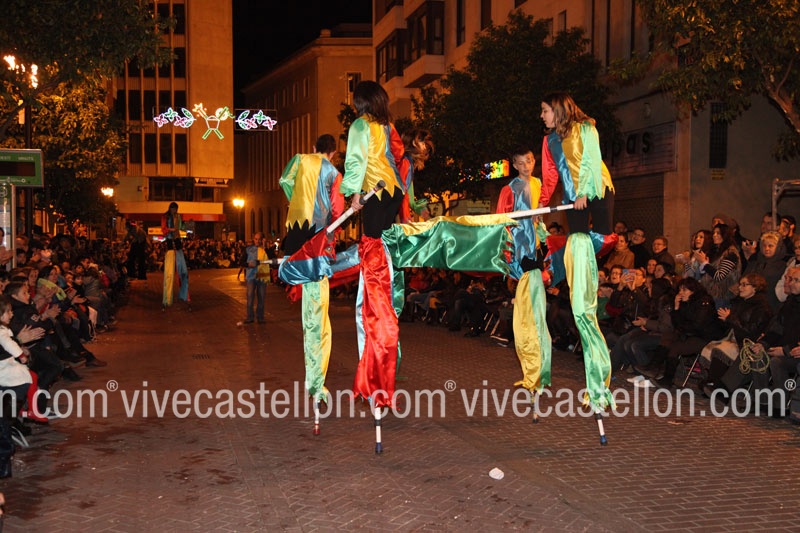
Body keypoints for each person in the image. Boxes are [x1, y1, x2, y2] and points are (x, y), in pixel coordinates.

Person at [539, 91, 615, 411]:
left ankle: (583, 278)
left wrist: (584, 191)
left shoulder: (586, 128)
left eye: (545, 110)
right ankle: (570, 278)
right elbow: (550, 176)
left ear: (557, 110)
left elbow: (590, 160)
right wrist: (541, 206)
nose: (542, 116)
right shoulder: (550, 141)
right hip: (573, 196)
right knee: (577, 242)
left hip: (596, 189)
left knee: (602, 238)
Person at [340, 81, 404, 408]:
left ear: (362, 102)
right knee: (381, 250)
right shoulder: (386, 125)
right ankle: (384, 306)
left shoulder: (361, 125)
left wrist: (354, 194)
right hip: (392, 190)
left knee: (372, 251)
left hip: (375, 192)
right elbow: (397, 155)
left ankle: (379, 322)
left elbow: (356, 159)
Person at [279, 133, 344, 403]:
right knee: (317, 310)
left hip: (295, 237)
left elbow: (285, 181)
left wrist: (297, 201)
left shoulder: (299, 159)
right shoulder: (334, 174)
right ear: (332, 153)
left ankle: (315, 380)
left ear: (314, 148)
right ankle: (316, 380)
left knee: (309, 305)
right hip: (317, 240)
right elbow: (338, 211)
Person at [496, 147, 552, 395]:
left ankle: (538, 366)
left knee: (536, 307)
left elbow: (541, 212)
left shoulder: (538, 184)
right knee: (530, 308)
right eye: (521, 163)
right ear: (515, 166)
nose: (526, 166)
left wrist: (539, 222)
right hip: (521, 250)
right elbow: (501, 221)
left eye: (529, 161)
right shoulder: (509, 189)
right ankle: (533, 367)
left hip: (536, 248)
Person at [397, 128, 434, 223]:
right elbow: (401, 193)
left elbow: (408, 195)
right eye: (422, 143)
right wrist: (406, 219)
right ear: (414, 142)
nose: (425, 147)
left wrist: (422, 212)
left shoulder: (407, 162)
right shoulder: (405, 163)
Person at [161, 202, 190, 310]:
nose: (175, 211)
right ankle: (167, 298)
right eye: (173, 209)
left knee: (183, 272)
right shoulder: (165, 216)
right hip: (169, 241)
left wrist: (187, 226)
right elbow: (163, 229)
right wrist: (170, 229)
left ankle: (183, 295)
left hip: (177, 241)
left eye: (176, 209)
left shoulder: (178, 216)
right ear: (170, 208)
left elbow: (181, 226)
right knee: (169, 274)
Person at [243, 232, 269, 324]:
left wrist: (265, 246)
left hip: (262, 276)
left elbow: (271, 258)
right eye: (256, 239)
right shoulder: (248, 249)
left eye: (259, 239)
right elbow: (242, 261)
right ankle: (250, 317)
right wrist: (248, 264)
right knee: (250, 296)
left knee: (261, 297)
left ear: (262, 240)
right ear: (253, 239)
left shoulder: (265, 250)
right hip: (251, 276)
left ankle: (260, 317)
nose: (257, 241)